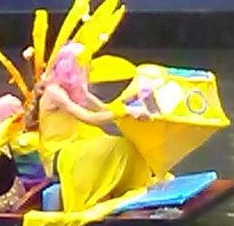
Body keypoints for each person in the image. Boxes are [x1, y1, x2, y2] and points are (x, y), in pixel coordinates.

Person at [38, 42, 152, 212]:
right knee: (116, 147)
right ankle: (96, 199)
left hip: (75, 146)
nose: (89, 70)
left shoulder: (77, 90)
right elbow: (89, 117)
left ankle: (131, 189)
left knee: (129, 146)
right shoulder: (55, 92)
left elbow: (104, 109)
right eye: (85, 66)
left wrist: (133, 103)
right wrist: (126, 111)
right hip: (58, 154)